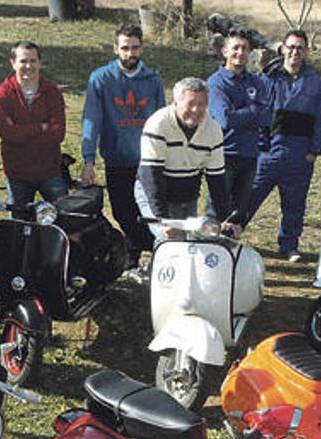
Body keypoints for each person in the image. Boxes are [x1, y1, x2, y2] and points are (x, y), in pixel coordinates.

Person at [81, 23, 165, 269]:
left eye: (135, 48)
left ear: (143, 48)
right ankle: (149, 246)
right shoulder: (101, 79)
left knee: (150, 212)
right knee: (123, 213)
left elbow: (161, 119)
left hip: (148, 161)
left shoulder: (153, 80)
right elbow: (92, 119)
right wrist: (89, 159)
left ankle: (142, 253)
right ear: (115, 48)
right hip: (117, 159)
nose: (130, 54)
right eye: (125, 48)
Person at [243, 29, 321, 262]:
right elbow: (258, 112)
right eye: (291, 47)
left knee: (294, 204)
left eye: (300, 48)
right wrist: (261, 146)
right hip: (270, 151)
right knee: (248, 197)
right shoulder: (269, 77)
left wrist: (314, 150)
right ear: (282, 49)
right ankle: (231, 235)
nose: (295, 52)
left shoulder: (314, 82)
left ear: (306, 51)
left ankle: (289, 245)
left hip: (300, 154)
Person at [135, 77, 241, 241]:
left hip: (187, 194)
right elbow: (152, 176)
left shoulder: (213, 129)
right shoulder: (157, 124)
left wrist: (225, 219)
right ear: (175, 103)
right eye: (190, 104)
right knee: (169, 240)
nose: (196, 110)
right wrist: (163, 220)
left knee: (190, 243)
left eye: (202, 104)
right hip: (155, 191)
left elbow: (217, 180)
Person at [205, 28, 271, 222]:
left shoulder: (257, 82)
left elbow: (267, 118)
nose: (240, 53)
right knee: (216, 210)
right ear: (225, 51)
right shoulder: (216, 83)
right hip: (225, 155)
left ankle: (229, 249)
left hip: (250, 154)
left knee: (240, 212)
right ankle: (209, 246)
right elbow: (225, 120)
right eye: (235, 48)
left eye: (244, 48)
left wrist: (243, 113)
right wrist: (253, 110)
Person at [0, 41, 67, 206]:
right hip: (17, 173)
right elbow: (6, 134)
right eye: (23, 61)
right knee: (19, 226)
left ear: (40, 63)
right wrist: (41, 127)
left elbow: (57, 134)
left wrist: (20, 131)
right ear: (13, 63)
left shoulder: (52, 93)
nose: (28, 66)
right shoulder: (3, 95)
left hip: (50, 171)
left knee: (65, 218)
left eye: (33, 61)